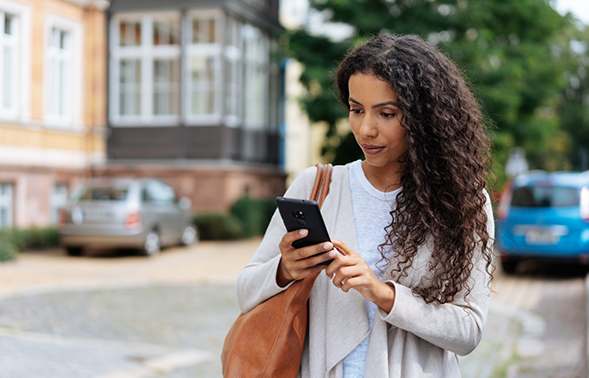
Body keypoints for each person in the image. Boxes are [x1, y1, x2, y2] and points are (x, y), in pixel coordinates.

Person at [235, 33, 495, 378]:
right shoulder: (317, 186)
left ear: (426, 118)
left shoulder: (464, 202)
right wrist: (285, 269)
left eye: (386, 113)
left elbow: (469, 331)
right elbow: (245, 290)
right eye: (356, 110)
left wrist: (382, 294)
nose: (365, 129)